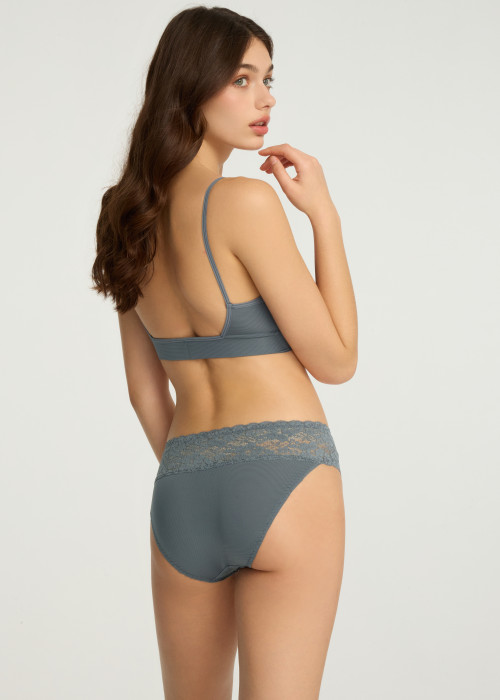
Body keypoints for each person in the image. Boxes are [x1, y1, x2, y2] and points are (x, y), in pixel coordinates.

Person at [91, 6, 357, 699]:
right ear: (191, 83)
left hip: (183, 489)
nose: (265, 99)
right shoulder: (244, 202)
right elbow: (336, 360)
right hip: (286, 476)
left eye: (268, 79)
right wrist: (323, 215)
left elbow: (144, 393)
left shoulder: (125, 215)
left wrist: (203, 476)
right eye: (242, 79)